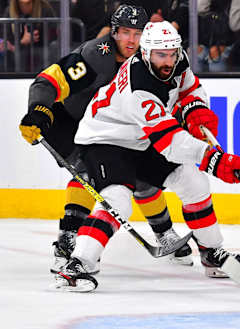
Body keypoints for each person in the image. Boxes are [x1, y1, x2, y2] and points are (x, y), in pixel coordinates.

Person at [48, 20, 240, 292]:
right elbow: (170, 142)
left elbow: (189, 88)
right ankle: (78, 264)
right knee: (117, 198)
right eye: (160, 55)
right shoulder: (138, 86)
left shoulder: (178, 58)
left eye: (172, 53)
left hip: (141, 138)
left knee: (193, 180)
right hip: (105, 138)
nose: (168, 61)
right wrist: (214, 159)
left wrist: (195, 108)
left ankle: (212, 252)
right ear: (145, 53)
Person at [19, 5, 194, 278]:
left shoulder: (153, 60)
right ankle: (68, 239)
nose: (131, 41)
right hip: (72, 122)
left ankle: (164, 233)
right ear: (114, 32)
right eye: (125, 32)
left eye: (138, 34)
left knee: (142, 175)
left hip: (115, 129)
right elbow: (47, 80)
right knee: (88, 174)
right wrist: (39, 109)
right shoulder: (95, 56)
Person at [0, 0, 56, 72]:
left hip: (41, 57)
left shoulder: (45, 8)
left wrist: (34, 38)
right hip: (16, 60)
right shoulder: (9, 11)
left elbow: (52, 36)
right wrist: (21, 42)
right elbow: (6, 39)